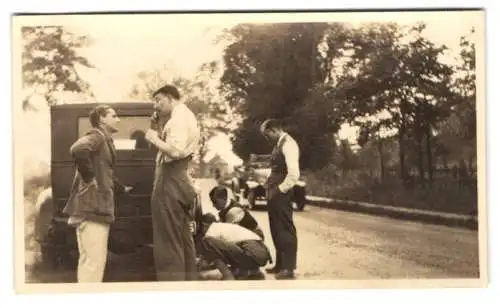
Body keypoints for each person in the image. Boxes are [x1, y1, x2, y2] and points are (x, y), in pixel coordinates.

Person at [63, 105, 132, 283]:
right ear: (102, 119)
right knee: (94, 263)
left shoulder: (104, 141)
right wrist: (89, 178)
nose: (118, 120)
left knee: (89, 262)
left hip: (93, 209)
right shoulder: (97, 137)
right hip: (92, 209)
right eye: (114, 116)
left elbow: (104, 171)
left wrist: (120, 188)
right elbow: (78, 149)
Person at [144, 84, 201, 281]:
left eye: (159, 100)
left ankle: (171, 288)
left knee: (167, 239)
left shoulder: (178, 120)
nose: (156, 105)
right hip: (179, 182)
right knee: (183, 238)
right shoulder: (184, 117)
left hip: (170, 182)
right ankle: (188, 284)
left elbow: (175, 151)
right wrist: (158, 127)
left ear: (170, 98)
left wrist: (153, 138)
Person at [259, 118, 300, 280]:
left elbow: (293, 174)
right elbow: (276, 169)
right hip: (274, 191)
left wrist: (280, 190)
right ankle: (280, 264)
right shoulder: (279, 144)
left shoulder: (289, 144)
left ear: (274, 130)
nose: (267, 138)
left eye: (267, 135)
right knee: (276, 228)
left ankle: (289, 268)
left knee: (285, 229)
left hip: (281, 193)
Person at [196, 213, 271, 280]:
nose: (202, 231)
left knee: (206, 241)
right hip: (261, 252)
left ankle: (228, 276)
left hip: (252, 252)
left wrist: (197, 267)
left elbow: (208, 249)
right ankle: (250, 269)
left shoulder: (212, 229)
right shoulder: (222, 226)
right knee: (221, 247)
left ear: (204, 224)